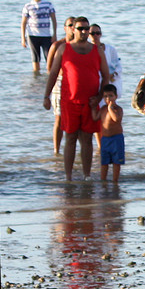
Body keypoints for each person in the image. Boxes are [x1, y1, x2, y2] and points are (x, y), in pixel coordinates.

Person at [43, 16, 110, 180]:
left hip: (90, 102)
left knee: (87, 139)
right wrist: (46, 96)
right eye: (80, 28)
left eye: (86, 29)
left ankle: (87, 176)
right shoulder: (63, 49)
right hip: (69, 102)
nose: (84, 32)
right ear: (73, 30)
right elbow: (52, 74)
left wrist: (100, 96)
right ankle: (68, 177)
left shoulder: (97, 50)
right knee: (71, 137)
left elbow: (106, 76)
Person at [48, 16, 76, 155]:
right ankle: (56, 151)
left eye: (74, 25)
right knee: (59, 117)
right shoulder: (57, 46)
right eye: (70, 25)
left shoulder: (83, 46)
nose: (73, 27)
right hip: (60, 83)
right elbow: (50, 69)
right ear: (64, 28)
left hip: (77, 84)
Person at [91, 83, 124, 182]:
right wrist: (93, 108)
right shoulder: (102, 109)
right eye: (105, 96)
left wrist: (110, 109)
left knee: (116, 162)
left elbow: (116, 119)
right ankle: (103, 180)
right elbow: (95, 118)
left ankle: (115, 181)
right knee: (104, 162)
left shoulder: (118, 109)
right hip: (105, 139)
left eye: (110, 96)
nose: (108, 99)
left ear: (116, 96)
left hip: (116, 139)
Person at [22, 0, 57, 73]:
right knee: (35, 58)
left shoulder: (48, 4)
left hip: (46, 35)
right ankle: (37, 79)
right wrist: (23, 37)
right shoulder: (28, 6)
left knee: (49, 58)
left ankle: (49, 76)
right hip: (32, 35)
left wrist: (54, 34)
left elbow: (53, 19)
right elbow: (24, 22)